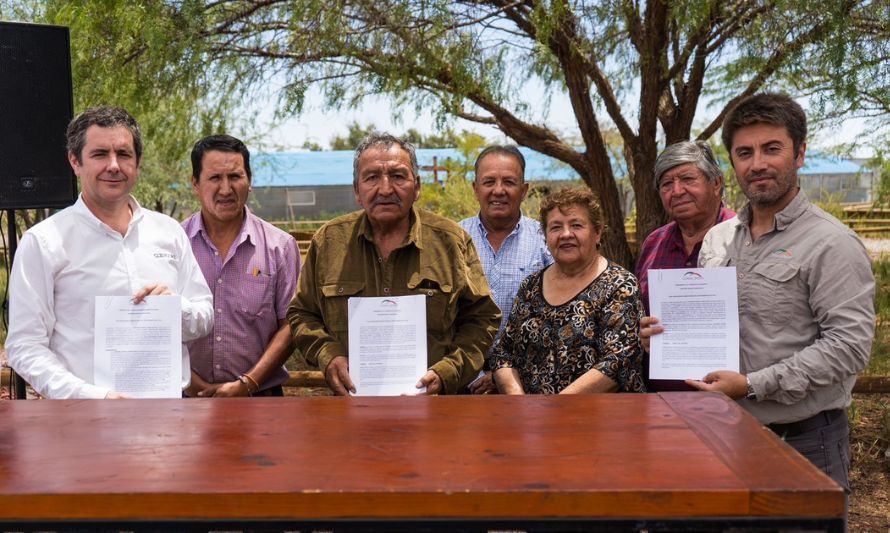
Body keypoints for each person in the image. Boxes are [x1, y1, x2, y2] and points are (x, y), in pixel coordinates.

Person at [646, 93, 874, 492]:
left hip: (805, 440)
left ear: (799, 153)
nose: (758, 164)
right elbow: (714, 331)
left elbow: (849, 346)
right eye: (744, 153)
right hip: (724, 432)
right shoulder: (718, 239)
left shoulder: (831, 242)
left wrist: (752, 385)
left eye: (772, 149)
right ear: (732, 163)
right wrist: (665, 340)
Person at [5, 106, 214, 399]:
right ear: (75, 162)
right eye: (100, 154)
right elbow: (24, 346)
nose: (114, 165)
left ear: (138, 163)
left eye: (124, 154)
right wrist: (93, 397)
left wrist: (175, 307)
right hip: (83, 421)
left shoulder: (169, 232)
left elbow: (204, 317)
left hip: (167, 416)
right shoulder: (44, 241)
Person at [287, 133, 501, 395]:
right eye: (372, 177)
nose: (386, 189)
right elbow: (302, 314)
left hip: (435, 407)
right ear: (357, 190)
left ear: (417, 186)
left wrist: (449, 371)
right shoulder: (329, 242)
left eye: (398, 176)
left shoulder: (450, 241)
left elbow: (482, 318)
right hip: (350, 407)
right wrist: (328, 355)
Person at [491, 187, 646, 394]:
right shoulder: (530, 286)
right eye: (555, 227)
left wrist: (556, 410)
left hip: (600, 419)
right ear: (545, 237)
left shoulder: (620, 285)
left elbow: (617, 362)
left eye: (576, 225)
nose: (565, 234)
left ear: (597, 232)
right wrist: (517, 398)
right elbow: (503, 353)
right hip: (531, 419)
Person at [182, 135, 300, 397]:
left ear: (249, 180)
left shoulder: (280, 247)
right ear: (195, 184)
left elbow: (290, 325)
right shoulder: (173, 245)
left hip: (261, 397)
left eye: (235, 177)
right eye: (214, 178)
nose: (226, 189)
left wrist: (247, 383)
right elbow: (160, 322)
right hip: (186, 398)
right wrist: (193, 385)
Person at [636, 140, 735, 391]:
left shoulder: (743, 237)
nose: (677, 191)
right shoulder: (653, 243)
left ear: (716, 183)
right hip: (660, 401)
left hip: (732, 404)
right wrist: (644, 333)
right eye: (667, 184)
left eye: (688, 179)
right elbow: (641, 313)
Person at [459, 145, 552, 394]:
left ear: (523, 190)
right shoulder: (453, 238)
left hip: (528, 380)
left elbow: (557, 316)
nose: (498, 190)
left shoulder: (545, 240)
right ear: (475, 188)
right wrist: (474, 376)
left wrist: (506, 374)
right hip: (463, 379)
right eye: (489, 181)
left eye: (508, 182)